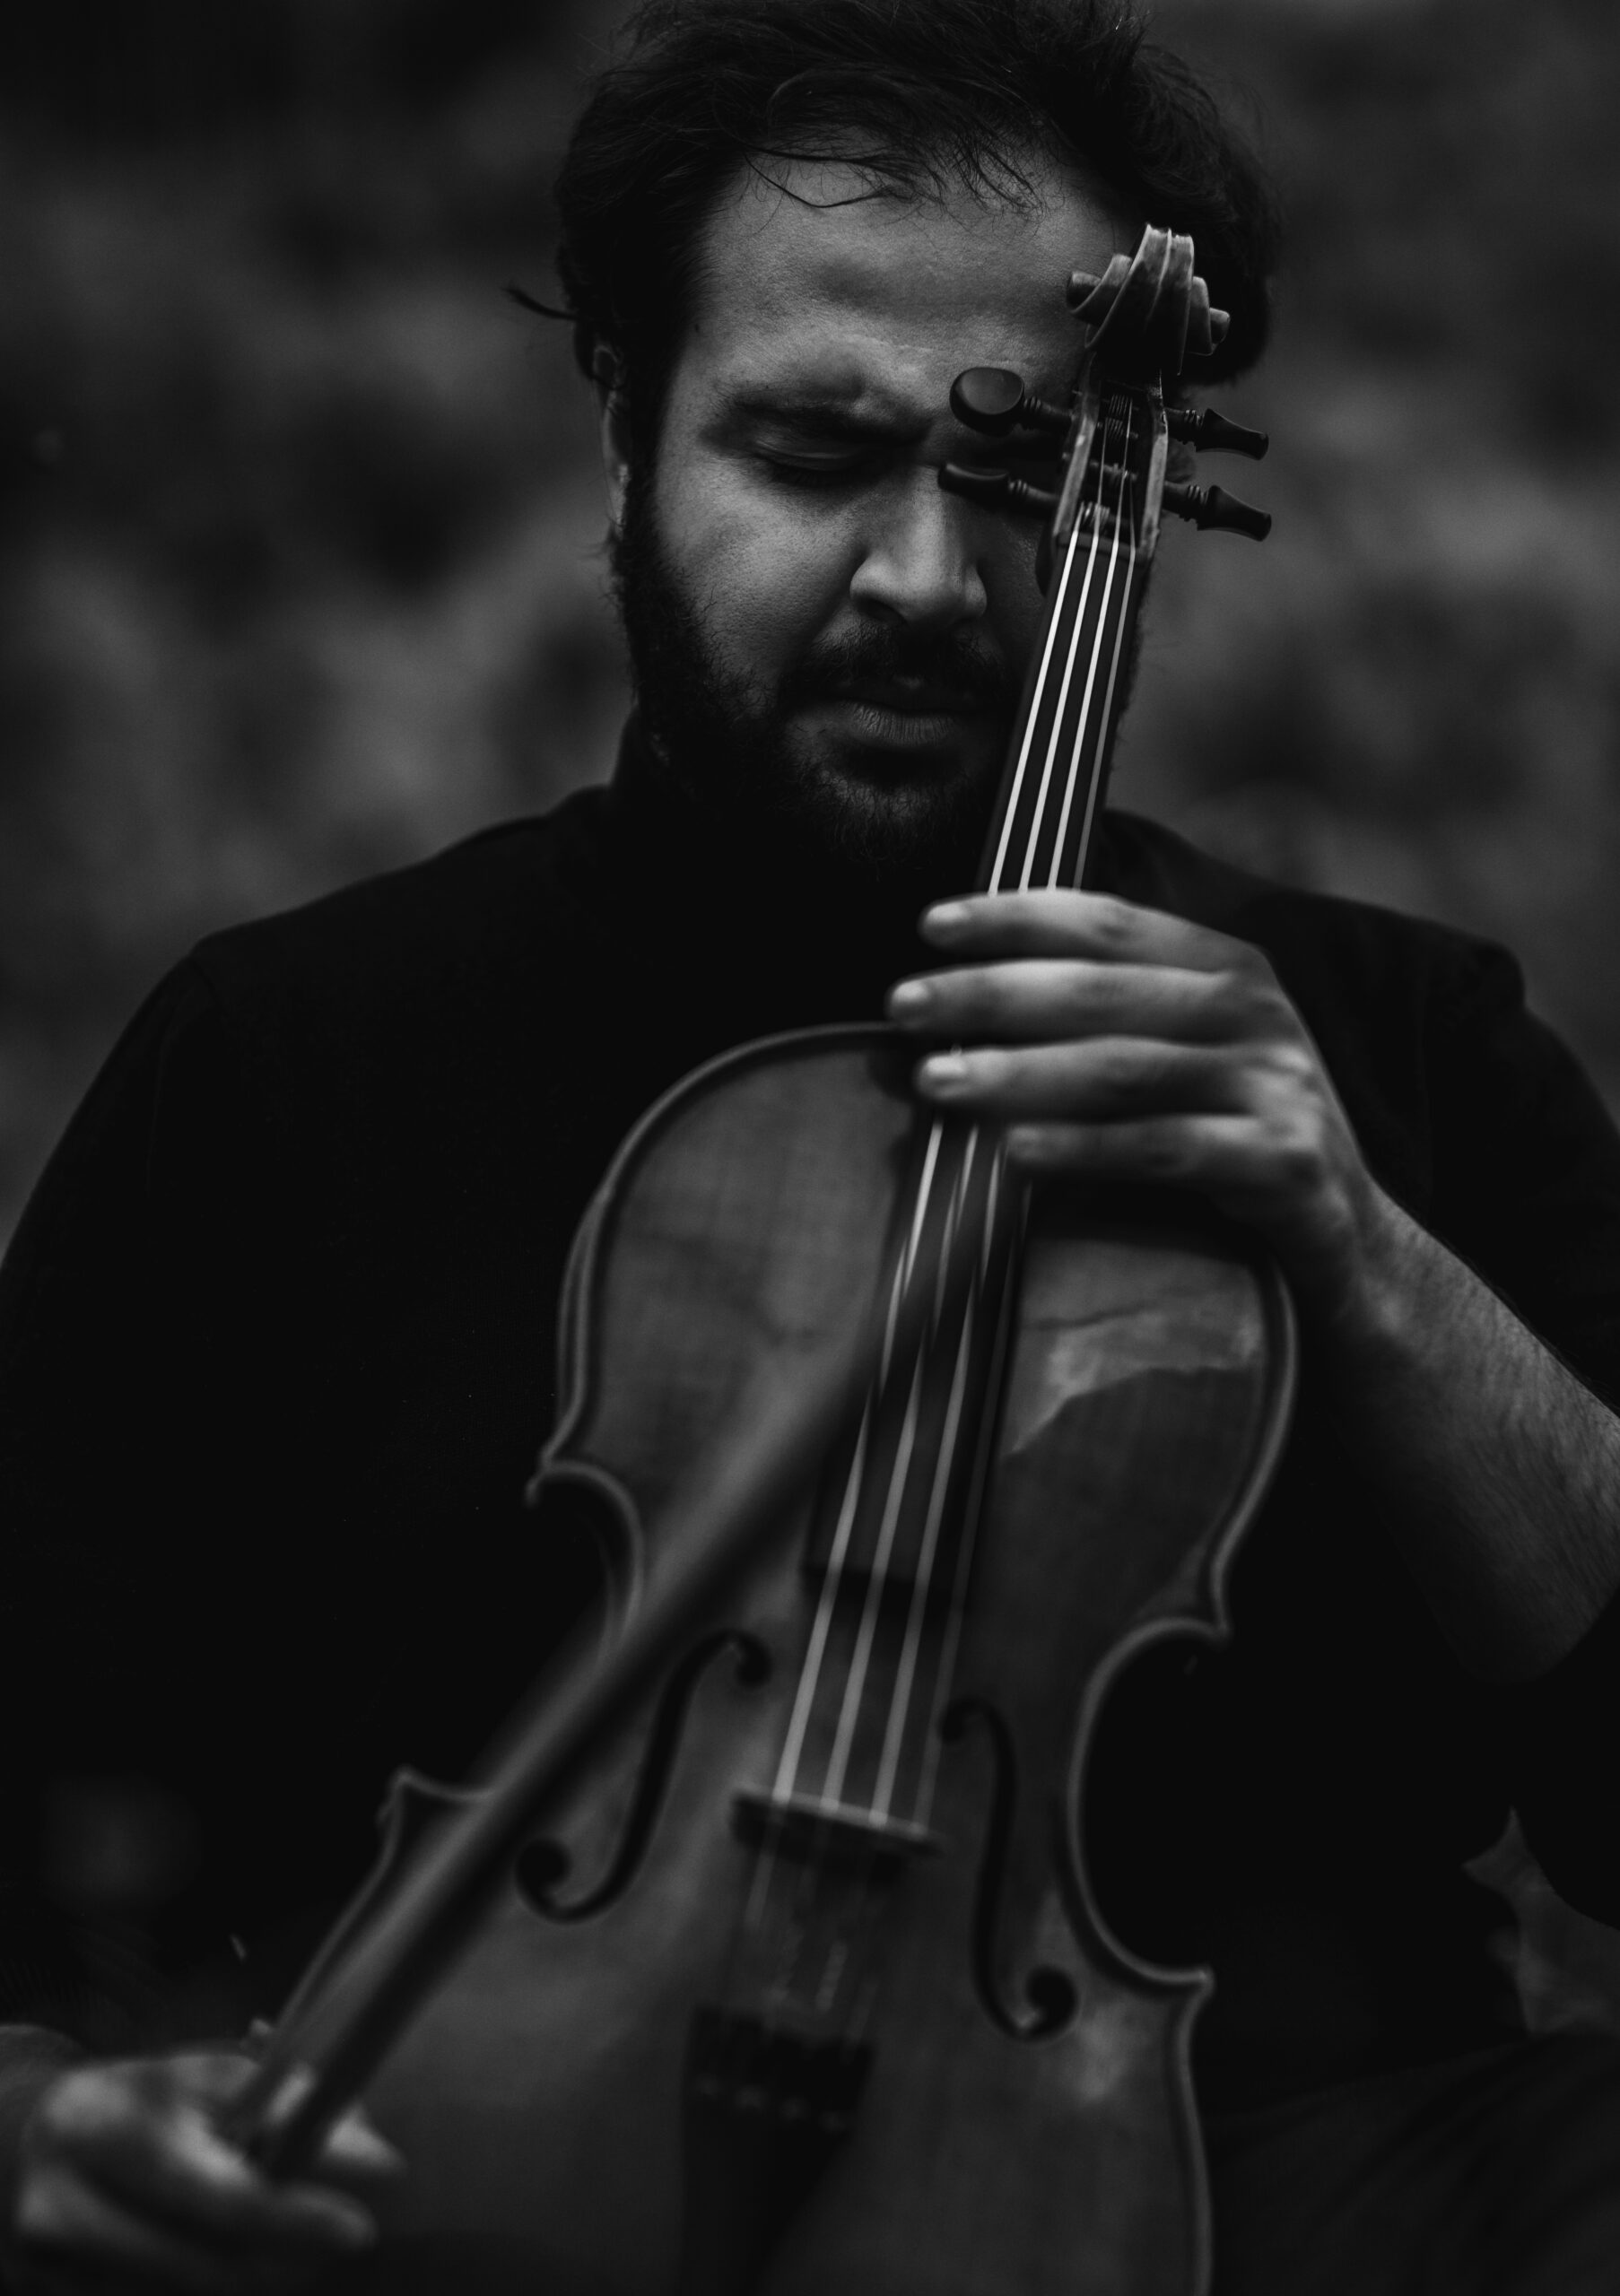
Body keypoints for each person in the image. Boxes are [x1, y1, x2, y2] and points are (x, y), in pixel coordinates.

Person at [4, 0, 1620, 2288]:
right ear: (626, 423)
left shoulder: (1398, 1041)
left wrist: (1358, 1246)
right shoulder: (292, 1058)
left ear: (1143, 479)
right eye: (809, 448)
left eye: (1027, 474)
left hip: (1302, 2203)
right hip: (482, 2204)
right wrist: (39, 2118)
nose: (929, 587)